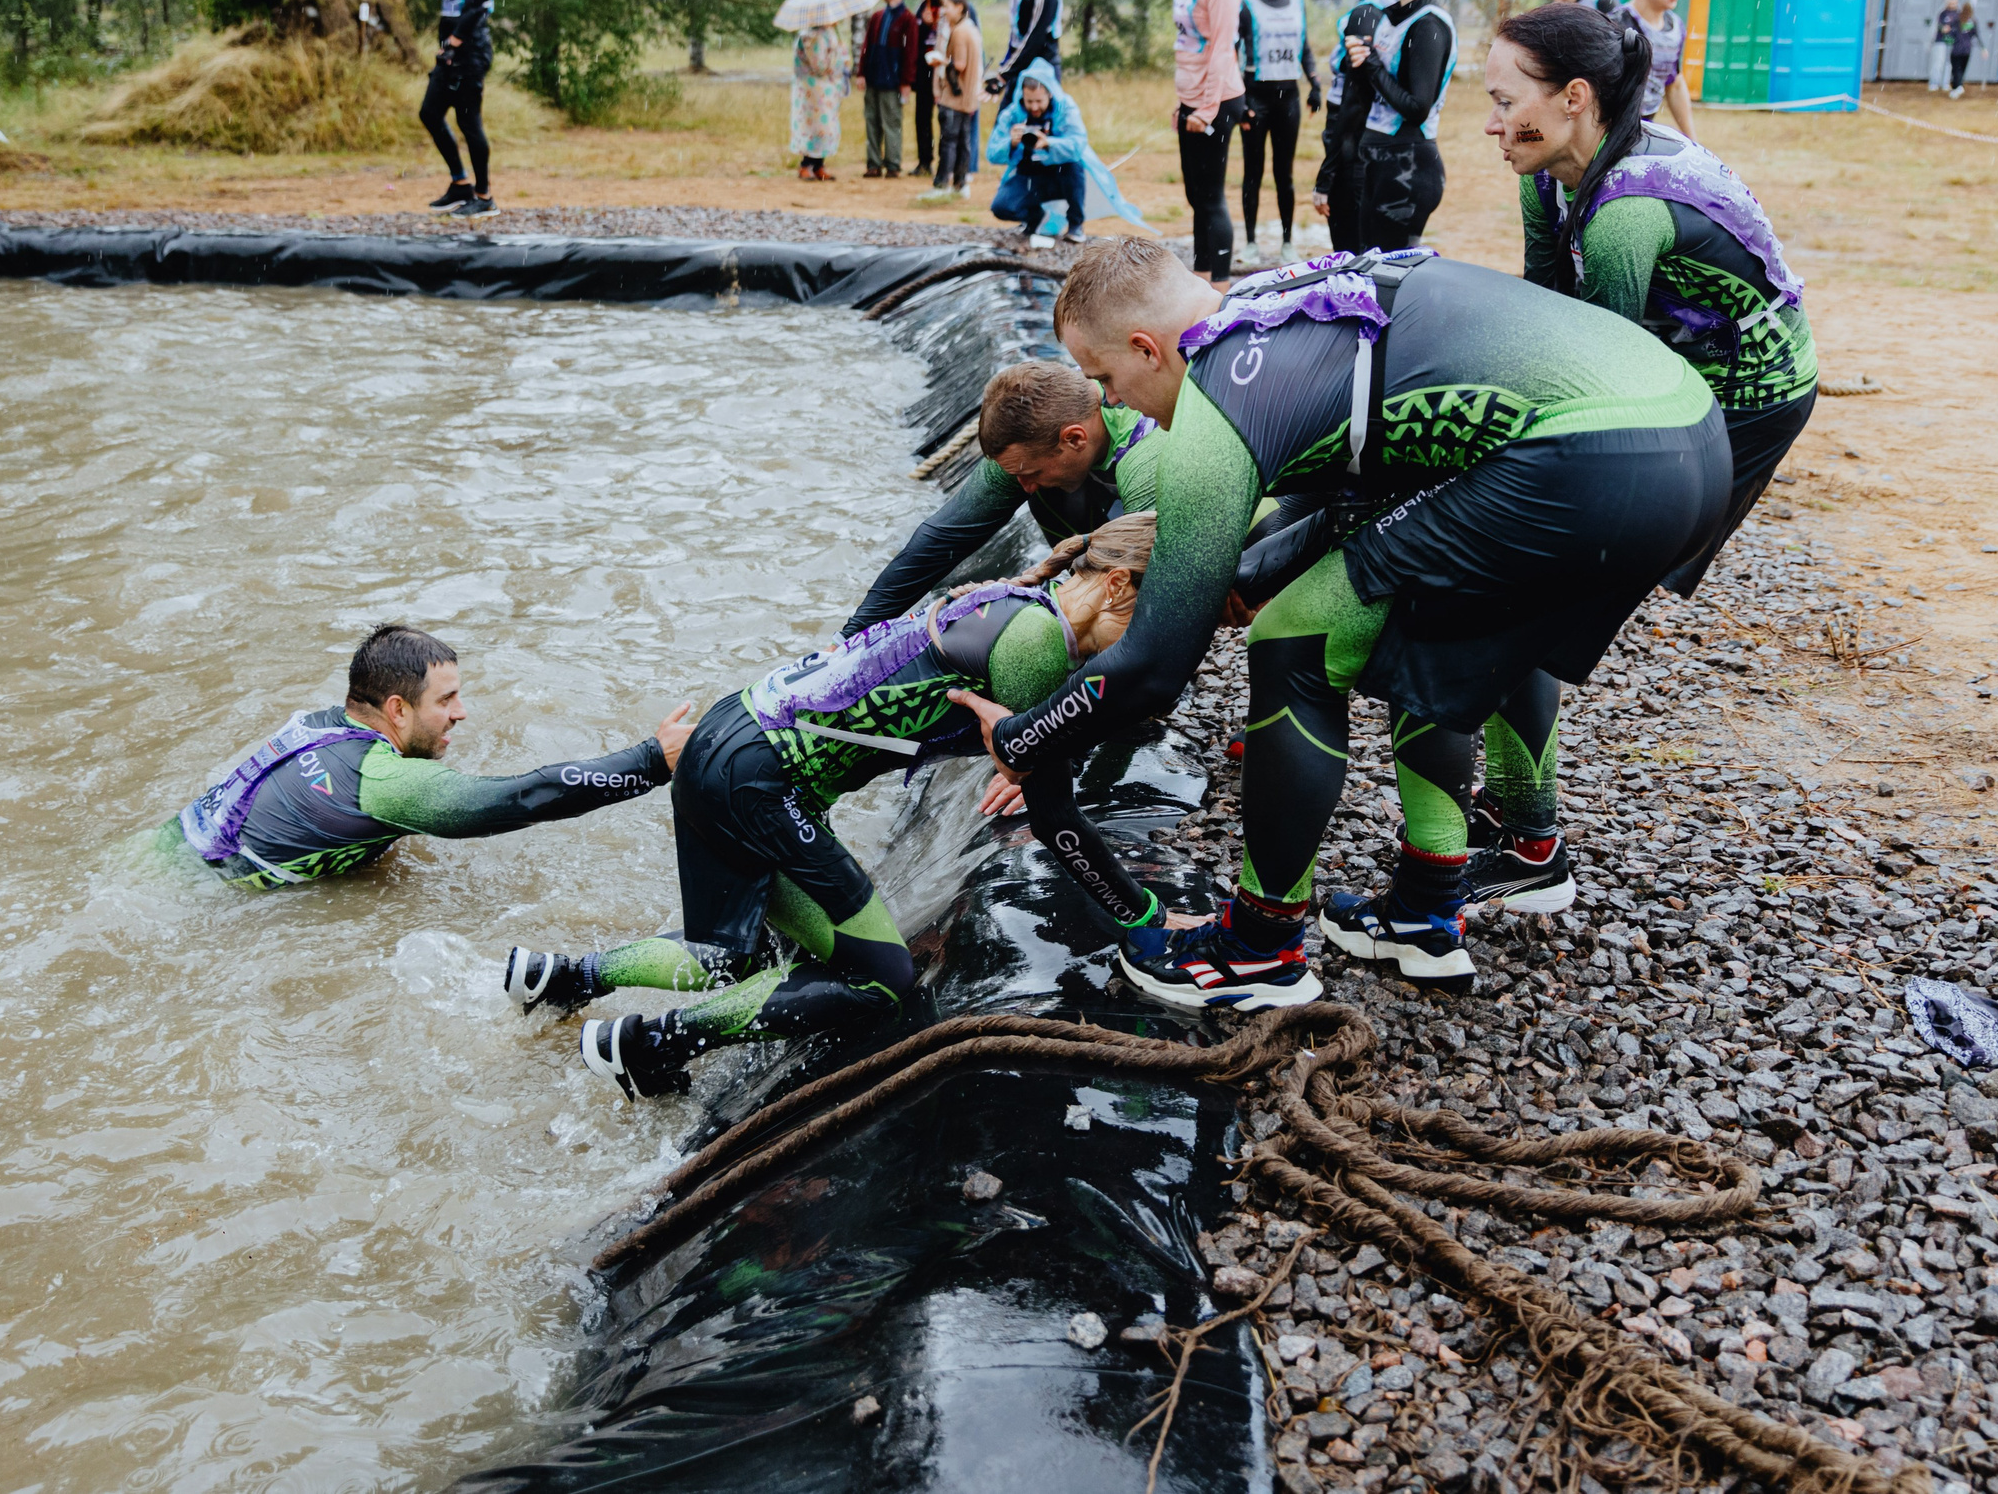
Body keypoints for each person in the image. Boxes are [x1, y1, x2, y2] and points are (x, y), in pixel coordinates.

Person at [948, 239, 1725, 1008]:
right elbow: (1356, 498)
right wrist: (1250, 571)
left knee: (1293, 637)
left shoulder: (1217, 405)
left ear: (1148, 348)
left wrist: (1025, 737)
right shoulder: (1274, 309)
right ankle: (1427, 910)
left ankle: (1257, 948)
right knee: (1425, 611)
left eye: (1106, 377)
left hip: (1585, 459)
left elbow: (1156, 663)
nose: (1112, 400)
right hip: (1692, 434)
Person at [502, 517, 1176, 1096]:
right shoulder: (1036, 641)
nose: (1150, 650)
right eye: (1154, 622)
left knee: (741, 953)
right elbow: (1057, 815)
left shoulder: (1012, 601)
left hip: (728, 741)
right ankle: (649, 1042)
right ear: (1117, 583)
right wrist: (1147, 919)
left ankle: (565, 979)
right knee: (881, 977)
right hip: (758, 780)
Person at [1484, 3, 1818, 901]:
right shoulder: (1547, 172)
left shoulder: (1626, 216)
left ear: (1575, 99)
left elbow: (1605, 385)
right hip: (1671, 364)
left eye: (1503, 99)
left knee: (1539, 596)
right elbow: (1542, 320)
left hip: (1748, 395)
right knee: (1525, 570)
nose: (1487, 123)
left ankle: (1530, 844)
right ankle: (1517, 803)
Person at [173, 624, 692, 889]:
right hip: (198, 895)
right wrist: (651, 760)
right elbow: (519, 799)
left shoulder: (320, 723)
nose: (462, 713)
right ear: (395, 709)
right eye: (446, 700)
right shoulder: (383, 782)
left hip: (175, 850)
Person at [844, 359, 1161, 634]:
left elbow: (1149, 582)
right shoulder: (1040, 428)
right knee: (1044, 493)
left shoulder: (1144, 457)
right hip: (1106, 512)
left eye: (1031, 472)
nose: (1024, 486)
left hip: (1160, 528)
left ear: (1075, 438)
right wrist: (848, 639)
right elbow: (943, 538)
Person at [1340, 0, 1458, 252]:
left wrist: (1371, 64)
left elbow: (1417, 108)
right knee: (1366, 275)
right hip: (1380, 162)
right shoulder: (1393, 15)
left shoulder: (1429, 25)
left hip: (1408, 169)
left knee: (1386, 286)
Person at [986, 60, 1152, 247]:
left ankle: (1075, 225)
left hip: (1061, 175)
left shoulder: (1065, 108)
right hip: (1029, 175)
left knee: (1074, 165)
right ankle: (1035, 217)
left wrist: (1049, 143)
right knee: (1000, 207)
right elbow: (992, 154)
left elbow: (1078, 144)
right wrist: (1012, 142)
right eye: (1029, 101)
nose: (1034, 107)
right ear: (1022, 96)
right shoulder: (1012, 115)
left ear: (1050, 94)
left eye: (1039, 101)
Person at [1172, 0, 1247, 284]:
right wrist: (1183, 104)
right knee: (1196, 197)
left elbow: (1222, 47)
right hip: (1193, 99)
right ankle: (1200, 277)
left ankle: (1218, 287)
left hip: (1217, 101)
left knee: (1211, 198)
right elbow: (1191, 44)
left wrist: (1206, 108)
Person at [1236, 0, 1325, 269]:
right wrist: (1240, 103)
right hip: (1255, 98)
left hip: (1288, 97)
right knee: (1253, 173)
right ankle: (1249, 243)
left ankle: (1288, 242)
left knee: (1284, 173)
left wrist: (1314, 83)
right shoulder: (1246, 5)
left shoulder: (1297, 3)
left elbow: (1304, 48)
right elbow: (1235, 56)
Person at [1312, 0, 1395, 256]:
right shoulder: (1395, 6)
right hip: (1374, 150)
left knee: (1351, 264)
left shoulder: (1367, 13)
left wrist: (1327, 175)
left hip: (1355, 155)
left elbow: (1354, 104)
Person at [421, 0, 498, 216]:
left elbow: (477, 6)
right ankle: (460, 185)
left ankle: (483, 198)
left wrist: (454, 43)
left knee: (469, 123)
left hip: (469, 52)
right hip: (452, 54)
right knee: (430, 113)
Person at [1624, 0, 1696, 141]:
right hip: (1608, 132)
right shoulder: (1617, 25)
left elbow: (1674, 83)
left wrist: (1693, 142)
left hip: (1645, 127)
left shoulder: (1675, 26)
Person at [912, 0, 973, 177]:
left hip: (950, 74)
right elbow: (914, 34)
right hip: (926, 70)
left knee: (948, 121)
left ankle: (950, 167)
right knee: (922, 117)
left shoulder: (964, 13)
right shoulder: (926, 3)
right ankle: (924, 160)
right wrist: (924, 23)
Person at [859, 0, 916, 179]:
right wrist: (861, 73)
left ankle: (893, 164)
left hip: (892, 80)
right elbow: (867, 47)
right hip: (873, 77)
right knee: (871, 121)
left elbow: (910, 53)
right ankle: (873, 164)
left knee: (891, 123)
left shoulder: (908, 19)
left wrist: (906, 82)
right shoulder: (877, 17)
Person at [930, 0, 983, 196]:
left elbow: (959, 65)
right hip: (968, 97)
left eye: (948, 7)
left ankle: (941, 184)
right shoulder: (971, 28)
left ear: (959, 7)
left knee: (948, 142)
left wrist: (940, 61)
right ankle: (961, 184)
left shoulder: (960, 32)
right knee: (963, 142)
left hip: (954, 96)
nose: (944, 11)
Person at [790, 19, 850, 181]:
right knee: (814, 127)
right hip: (814, 91)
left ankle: (818, 165)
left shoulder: (827, 34)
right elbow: (820, 65)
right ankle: (806, 165)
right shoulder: (812, 37)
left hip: (826, 90)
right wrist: (837, 58)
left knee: (825, 128)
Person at [1946, 2, 1978, 99]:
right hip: (1967, 50)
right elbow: (1975, 35)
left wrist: (1948, 38)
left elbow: (1951, 35)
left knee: (1956, 69)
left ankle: (1958, 86)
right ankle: (1958, 86)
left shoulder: (1957, 21)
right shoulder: (1972, 21)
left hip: (1957, 50)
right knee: (1961, 69)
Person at [1928, 0, 1958, 94]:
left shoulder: (1958, 14)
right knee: (1938, 62)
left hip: (1951, 42)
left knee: (1949, 63)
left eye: (1954, 1)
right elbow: (1938, 25)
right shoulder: (1942, 13)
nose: (1952, 3)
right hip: (1940, 41)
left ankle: (1945, 83)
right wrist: (1943, 28)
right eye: (1950, 1)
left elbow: (1959, 27)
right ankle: (1934, 82)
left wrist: (1952, 30)